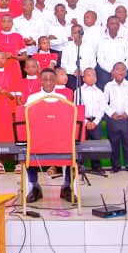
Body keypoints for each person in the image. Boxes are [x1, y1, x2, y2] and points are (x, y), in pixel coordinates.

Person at [24, 68, 74, 204]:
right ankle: (35, 186)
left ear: (55, 81)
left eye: (51, 80)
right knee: (27, 151)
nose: (48, 83)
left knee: (73, 153)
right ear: (40, 81)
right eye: (45, 79)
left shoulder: (63, 99)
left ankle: (66, 186)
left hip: (59, 141)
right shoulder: (32, 98)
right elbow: (25, 120)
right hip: (38, 141)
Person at [103, 62, 128, 173]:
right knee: (113, 143)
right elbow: (103, 102)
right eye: (117, 69)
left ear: (126, 72)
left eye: (123, 69)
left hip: (125, 118)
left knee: (127, 143)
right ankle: (115, 166)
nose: (120, 71)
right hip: (113, 119)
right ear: (112, 72)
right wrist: (111, 113)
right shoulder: (108, 86)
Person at [78, 67, 107, 174]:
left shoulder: (99, 92)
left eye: (94, 75)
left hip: (96, 121)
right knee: (82, 144)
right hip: (83, 121)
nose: (92, 77)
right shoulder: (78, 91)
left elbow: (102, 108)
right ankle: (81, 165)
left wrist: (95, 122)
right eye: (89, 75)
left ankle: (97, 166)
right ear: (83, 78)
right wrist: (86, 122)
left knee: (96, 144)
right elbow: (77, 108)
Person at [95, 16, 128, 89]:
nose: (115, 26)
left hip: (122, 72)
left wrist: (122, 70)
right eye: (112, 24)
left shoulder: (124, 39)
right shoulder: (101, 40)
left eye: (117, 24)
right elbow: (100, 59)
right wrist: (112, 71)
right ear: (107, 25)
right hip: (106, 72)